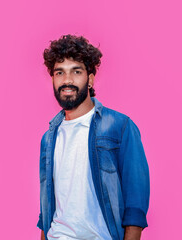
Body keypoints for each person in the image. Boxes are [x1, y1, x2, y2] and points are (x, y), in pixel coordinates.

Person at [37, 34, 150, 240]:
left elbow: (136, 204)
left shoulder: (119, 127)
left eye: (76, 72)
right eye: (59, 72)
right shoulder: (48, 139)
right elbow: (46, 208)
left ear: (89, 79)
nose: (67, 80)